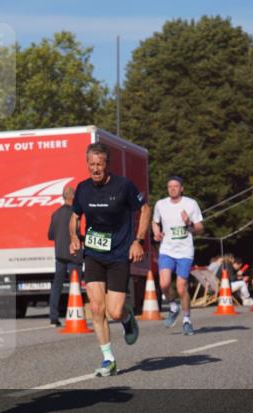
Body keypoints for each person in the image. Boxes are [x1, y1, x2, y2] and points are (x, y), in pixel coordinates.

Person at [68, 142, 151, 377]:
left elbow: (144, 209)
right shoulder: (82, 189)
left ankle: (127, 319)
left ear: (107, 165)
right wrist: (74, 236)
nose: (95, 169)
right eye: (91, 164)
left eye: (99, 164)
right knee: (96, 308)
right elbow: (74, 217)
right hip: (93, 253)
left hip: (118, 254)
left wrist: (138, 240)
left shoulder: (123, 186)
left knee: (114, 311)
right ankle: (108, 359)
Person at [151, 175, 204, 335]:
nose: (172, 188)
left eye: (176, 186)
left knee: (182, 287)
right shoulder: (161, 204)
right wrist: (156, 232)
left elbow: (200, 228)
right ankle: (173, 307)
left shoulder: (190, 204)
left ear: (182, 188)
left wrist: (189, 223)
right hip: (167, 249)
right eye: (170, 186)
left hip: (185, 251)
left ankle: (187, 319)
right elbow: (155, 221)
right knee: (164, 284)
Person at [48, 185, 81, 327]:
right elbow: (77, 234)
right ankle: (75, 314)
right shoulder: (75, 214)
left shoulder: (56, 213)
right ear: (73, 197)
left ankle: (53, 318)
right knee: (76, 287)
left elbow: (50, 235)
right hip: (74, 255)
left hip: (59, 254)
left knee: (57, 286)